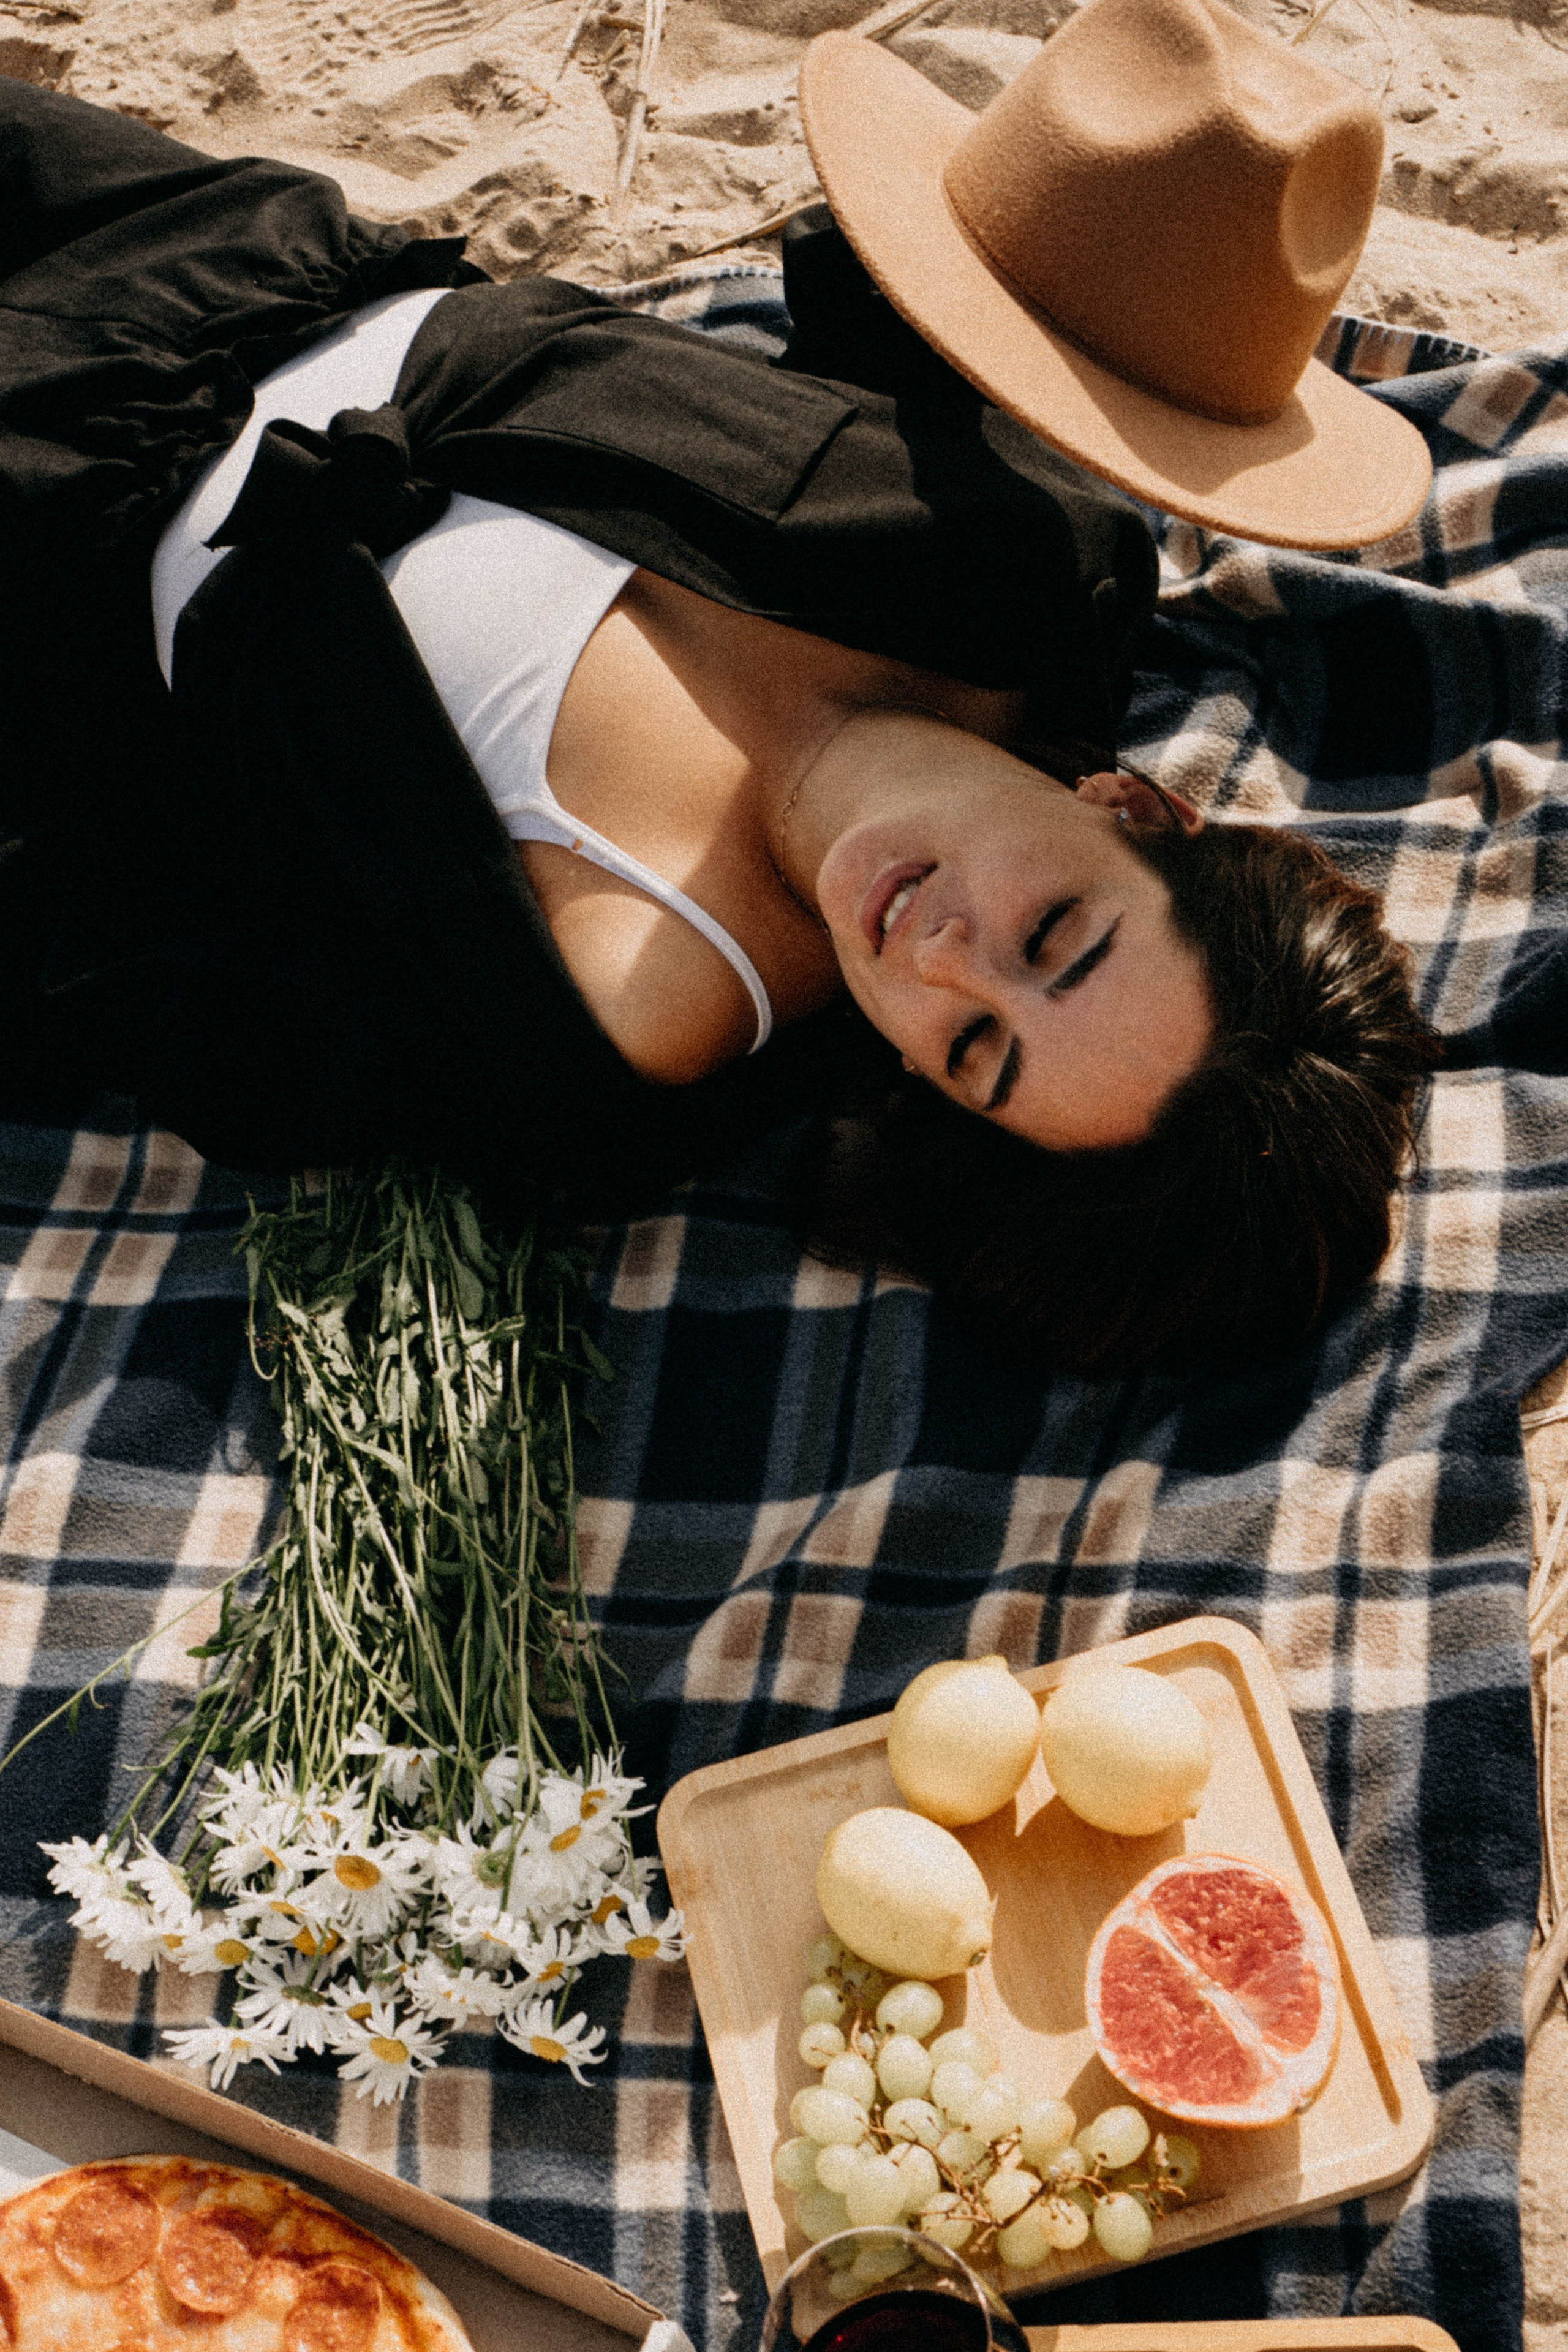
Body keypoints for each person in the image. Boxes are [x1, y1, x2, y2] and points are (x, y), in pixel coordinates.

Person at [0, 0, 1439, 1377]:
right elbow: (922, 252)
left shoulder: (620, 1028)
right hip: (220, 243)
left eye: (976, 1050)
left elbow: (125, 968)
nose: (935, 957)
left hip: (48, 535)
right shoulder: (1032, 569)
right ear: (1132, 808)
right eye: (1052, 933)